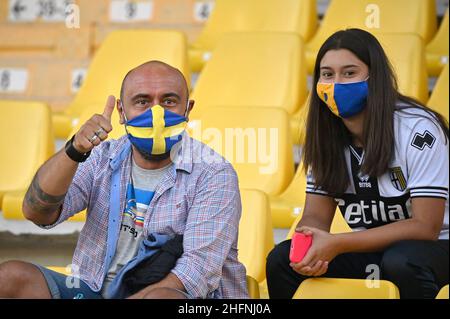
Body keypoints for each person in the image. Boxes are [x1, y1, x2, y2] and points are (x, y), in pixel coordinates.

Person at [0, 60, 248, 299]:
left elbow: (196, 272)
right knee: (10, 278)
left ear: (187, 109)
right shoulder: (100, 157)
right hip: (94, 289)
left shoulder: (213, 173)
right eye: (142, 101)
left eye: (168, 101)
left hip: (173, 295)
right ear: (121, 111)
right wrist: (74, 150)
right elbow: (37, 213)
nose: (156, 115)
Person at [266, 29, 449, 299]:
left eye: (349, 73)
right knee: (282, 260)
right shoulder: (324, 135)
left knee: (402, 262)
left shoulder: (418, 130)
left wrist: (338, 243)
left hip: (435, 248)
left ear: (375, 78)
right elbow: (316, 216)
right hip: (373, 251)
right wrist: (309, 247)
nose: (336, 83)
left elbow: (425, 226)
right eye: (327, 74)